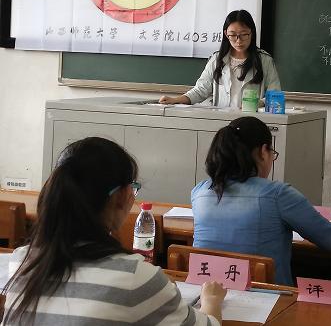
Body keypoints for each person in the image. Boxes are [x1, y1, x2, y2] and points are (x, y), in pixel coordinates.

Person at [1, 137, 226, 325]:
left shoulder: (23, 262)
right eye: (133, 189)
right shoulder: (134, 277)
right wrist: (211, 301)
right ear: (121, 195)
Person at [192, 116, 331, 286]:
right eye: (272, 153)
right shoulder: (278, 194)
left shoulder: (199, 192)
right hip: (268, 297)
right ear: (263, 151)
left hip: (206, 294)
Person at [159, 9, 280, 108]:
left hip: (252, 122)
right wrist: (175, 100)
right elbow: (201, 90)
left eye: (243, 34)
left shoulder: (264, 60)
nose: (238, 40)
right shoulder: (217, 59)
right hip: (221, 121)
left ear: (251, 32)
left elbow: (275, 94)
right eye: (233, 35)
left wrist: (259, 103)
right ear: (226, 34)